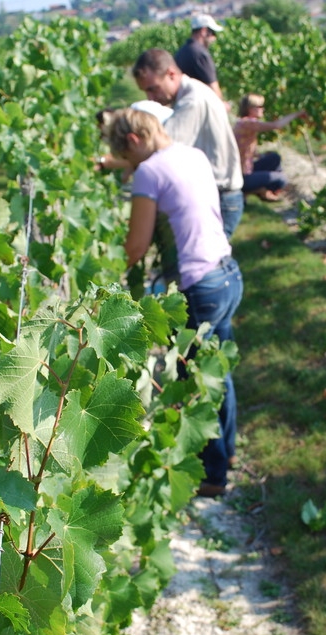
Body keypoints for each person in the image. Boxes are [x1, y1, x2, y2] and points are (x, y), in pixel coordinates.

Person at [104, 107, 242, 498]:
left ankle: (212, 475)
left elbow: (135, 246)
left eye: (127, 160)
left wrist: (111, 274)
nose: (131, 169)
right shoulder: (193, 154)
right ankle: (226, 454)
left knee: (195, 382)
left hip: (196, 285)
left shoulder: (150, 171)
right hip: (228, 273)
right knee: (217, 372)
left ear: (133, 141)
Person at [132, 48, 244, 240]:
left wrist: (110, 161)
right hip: (217, 194)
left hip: (220, 196)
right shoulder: (191, 93)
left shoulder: (193, 100)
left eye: (153, 88)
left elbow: (162, 151)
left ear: (171, 74)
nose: (151, 98)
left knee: (205, 263)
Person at [232, 93, 306, 202]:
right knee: (281, 178)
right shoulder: (247, 123)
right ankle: (254, 191)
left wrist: (260, 155)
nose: (263, 109)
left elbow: (245, 149)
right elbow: (276, 125)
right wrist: (297, 114)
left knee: (274, 158)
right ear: (250, 109)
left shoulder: (245, 124)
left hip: (246, 170)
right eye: (260, 107)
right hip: (242, 177)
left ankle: (265, 191)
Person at [174, 14, 226, 103]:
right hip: (200, 105)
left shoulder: (182, 51)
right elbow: (212, 86)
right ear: (204, 31)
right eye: (213, 33)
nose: (214, 38)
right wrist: (222, 105)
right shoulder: (200, 54)